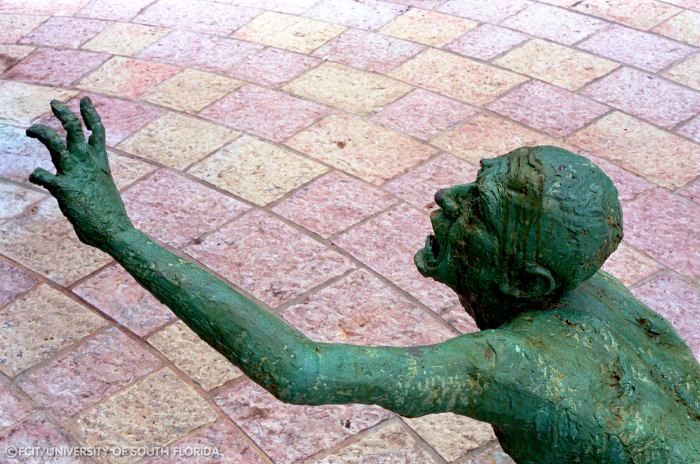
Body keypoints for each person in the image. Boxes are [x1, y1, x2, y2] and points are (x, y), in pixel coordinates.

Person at [25, 98, 700, 463]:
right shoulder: (594, 290)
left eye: (480, 210)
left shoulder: (512, 367)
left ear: (526, 280)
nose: (445, 195)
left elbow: (301, 370)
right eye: (474, 177)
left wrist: (118, 233)